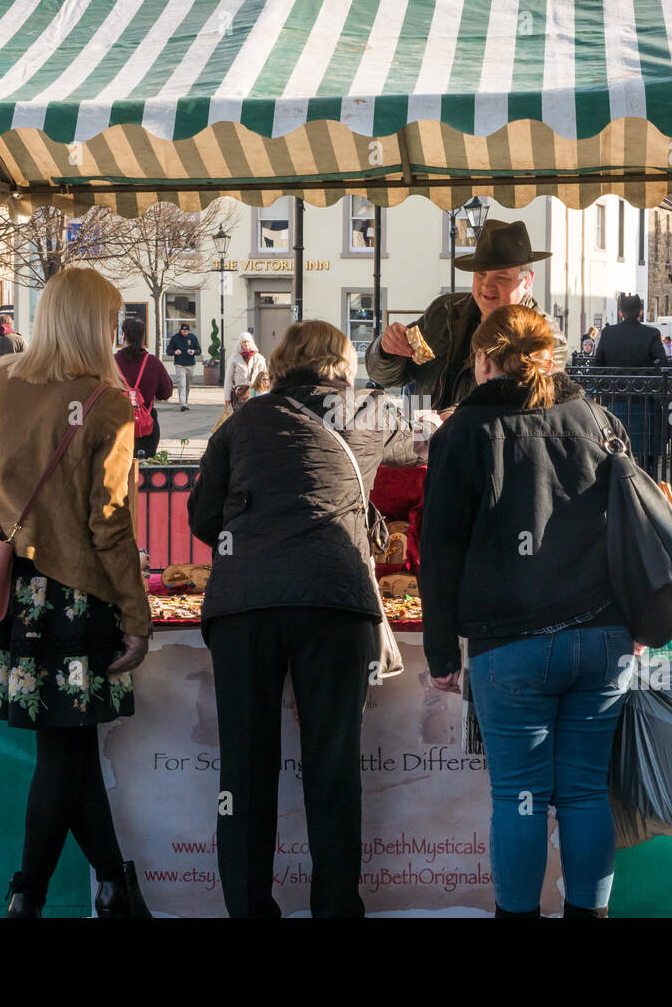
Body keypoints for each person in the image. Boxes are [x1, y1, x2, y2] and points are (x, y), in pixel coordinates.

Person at [187, 319, 429, 919]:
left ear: (281, 361)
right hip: (334, 599)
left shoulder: (243, 420)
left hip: (245, 606)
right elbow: (420, 446)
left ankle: (248, 910)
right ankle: (337, 909)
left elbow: (200, 518)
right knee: (333, 764)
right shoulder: (368, 410)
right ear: (342, 364)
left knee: (243, 768)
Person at [419, 303, 636, 919]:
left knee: (519, 797)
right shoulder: (594, 418)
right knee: (586, 793)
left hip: (509, 642)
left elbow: (439, 554)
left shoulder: (461, 433)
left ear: (483, 359)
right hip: (602, 632)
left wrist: (440, 656)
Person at [0, 266, 152, 920]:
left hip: (13, 598)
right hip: (78, 601)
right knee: (66, 754)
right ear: (97, 324)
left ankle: (111, 890)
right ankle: (34, 895)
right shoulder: (105, 399)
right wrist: (137, 615)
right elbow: (110, 522)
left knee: (69, 752)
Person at [365, 219, 567, 411]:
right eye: (481, 274)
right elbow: (385, 377)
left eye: (501, 277)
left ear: (527, 281)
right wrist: (386, 350)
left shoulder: (545, 336)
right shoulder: (444, 311)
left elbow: (535, 408)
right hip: (427, 442)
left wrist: (460, 419)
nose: (487, 285)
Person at [594, 293, 667, 478]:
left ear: (620, 313)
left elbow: (597, 365)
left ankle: (620, 481)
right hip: (645, 400)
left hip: (616, 399)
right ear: (640, 312)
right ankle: (648, 479)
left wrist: (605, 390)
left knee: (617, 446)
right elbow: (663, 365)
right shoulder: (651, 334)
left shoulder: (608, 333)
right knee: (647, 450)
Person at [114, 316, 172, 459]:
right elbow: (166, 392)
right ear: (142, 337)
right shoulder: (153, 362)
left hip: (117, 424)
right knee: (145, 471)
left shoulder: (112, 362)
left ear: (123, 336)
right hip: (146, 425)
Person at [223, 332, 267, 415]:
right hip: (239, 394)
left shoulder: (259, 358)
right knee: (241, 418)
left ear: (251, 342)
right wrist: (227, 398)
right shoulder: (234, 358)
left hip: (256, 392)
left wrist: (266, 393)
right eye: (243, 342)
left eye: (248, 341)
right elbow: (228, 379)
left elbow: (265, 377)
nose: (246, 344)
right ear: (240, 343)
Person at [165, 322, 201, 411]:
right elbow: (168, 351)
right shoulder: (175, 338)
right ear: (180, 330)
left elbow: (199, 350)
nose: (185, 332)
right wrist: (175, 352)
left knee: (188, 384)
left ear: (189, 331)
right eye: (183, 331)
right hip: (179, 364)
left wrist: (193, 351)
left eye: (186, 331)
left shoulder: (192, 337)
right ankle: (182, 404)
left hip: (190, 364)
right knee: (182, 384)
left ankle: (185, 401)